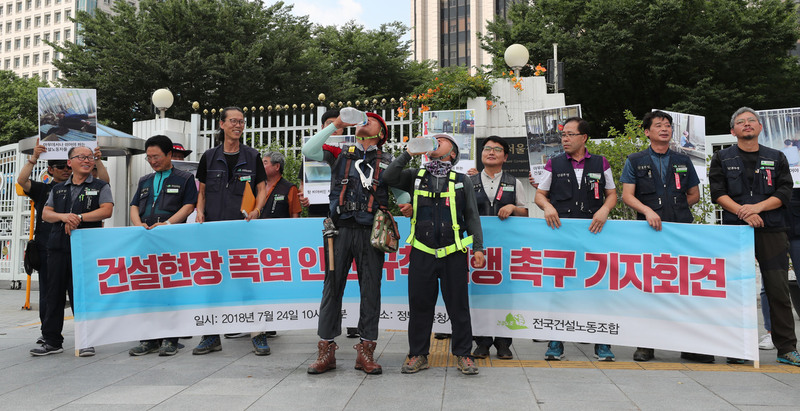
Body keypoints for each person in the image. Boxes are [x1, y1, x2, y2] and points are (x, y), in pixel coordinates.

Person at [302, 111, 401, 375]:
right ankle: (326, 349)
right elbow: (308, 149)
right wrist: (336, 124)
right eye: (362, 118)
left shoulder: (389, 161)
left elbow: (402, 194)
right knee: (332, 287)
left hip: (372, 233)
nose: (364, 119)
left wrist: (407, 203)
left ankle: (366, 349)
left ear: (382, 132)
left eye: (372, 119)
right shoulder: (339, 154)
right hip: (339, 229)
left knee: (371, 290)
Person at [384, 133, 486, 376]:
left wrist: (479, 248)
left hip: (454, 254)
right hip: (422, 252)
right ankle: (418, 354)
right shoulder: (414, 176)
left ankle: (464, 355)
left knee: (458, 307)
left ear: (453, 153)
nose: (435, 141)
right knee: (420, 306)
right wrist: (410, 152)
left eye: (442, 140)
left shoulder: (462, 180)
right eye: (434, 140)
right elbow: (387, 177)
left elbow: (472, 216)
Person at [709, 107, 800, 367]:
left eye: (751, 121)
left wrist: (757, 208)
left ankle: (786, 348)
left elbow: (784, 191)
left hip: (771, 229)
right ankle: (736, 348)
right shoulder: (721, 158)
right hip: (735, 232)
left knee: (778, 289)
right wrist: (742, 212)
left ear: (760, 128)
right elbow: (718, 192)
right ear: (732, 130)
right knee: (735, 290)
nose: (747, 124)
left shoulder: (777, 156)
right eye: (741, 122)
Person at [533, 117, 617, 362]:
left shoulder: (601, 163)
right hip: (562, 234)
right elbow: (540, 194)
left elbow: (611, 194)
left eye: (570, 134)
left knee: (597, 287)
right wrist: (547, 207)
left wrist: (604, 210)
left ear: (584, 137)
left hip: (594, 232)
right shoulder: (554, 163)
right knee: (561, 288)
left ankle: (602, 343)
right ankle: (555, 342)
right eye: (563, 135)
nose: (565, 139)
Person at [193, 107, 268, 355]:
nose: (238, 125)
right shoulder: (209, 157)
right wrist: (200, 212)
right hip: (214, 230)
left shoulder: (252, 155)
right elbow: (201, 191)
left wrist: (257, 210)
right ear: (222, 124)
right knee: (213, 283)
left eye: (242, 122)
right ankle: (211, 336)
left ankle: (258, 334)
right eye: (233, 121)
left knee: (249, 283)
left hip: (243, 232)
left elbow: (261, 189)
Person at [18, 143, 109, 346]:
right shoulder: (53, 189)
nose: (65, 169)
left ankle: (87, 340)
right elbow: (43, 210)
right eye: (61, 166)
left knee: (81, 294)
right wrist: (65, 217)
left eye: (89, 158)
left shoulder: (98, 186)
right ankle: (50, 338)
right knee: (52, 294)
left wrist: (77, 217)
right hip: (53, 248)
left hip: (83, 248)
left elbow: (107, 207)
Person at [127, 135, 198, 356]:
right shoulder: (145, 180)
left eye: (156, 156)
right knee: (147, 289)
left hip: (171, 239)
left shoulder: (185, 178)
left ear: (169, 155)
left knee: (170, 289)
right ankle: (149, 338)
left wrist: (166, 225)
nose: (152, 161)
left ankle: (170, 338)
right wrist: (139, 226)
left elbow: (188, 206)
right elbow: (134, 206)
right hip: (146, 240)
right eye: (149, 158)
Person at [465, 135, 528, 360]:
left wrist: (512, 206)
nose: (491, 152)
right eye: (487, 149)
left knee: (504, 295)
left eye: (497, 149)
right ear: (481, 155)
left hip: (505, 249)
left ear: (505, 156)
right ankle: (481, 342)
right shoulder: (467, 182)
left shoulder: (514, 182)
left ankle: (503, 343)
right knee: (479, 294)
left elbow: (526, 212)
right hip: (476, 248)